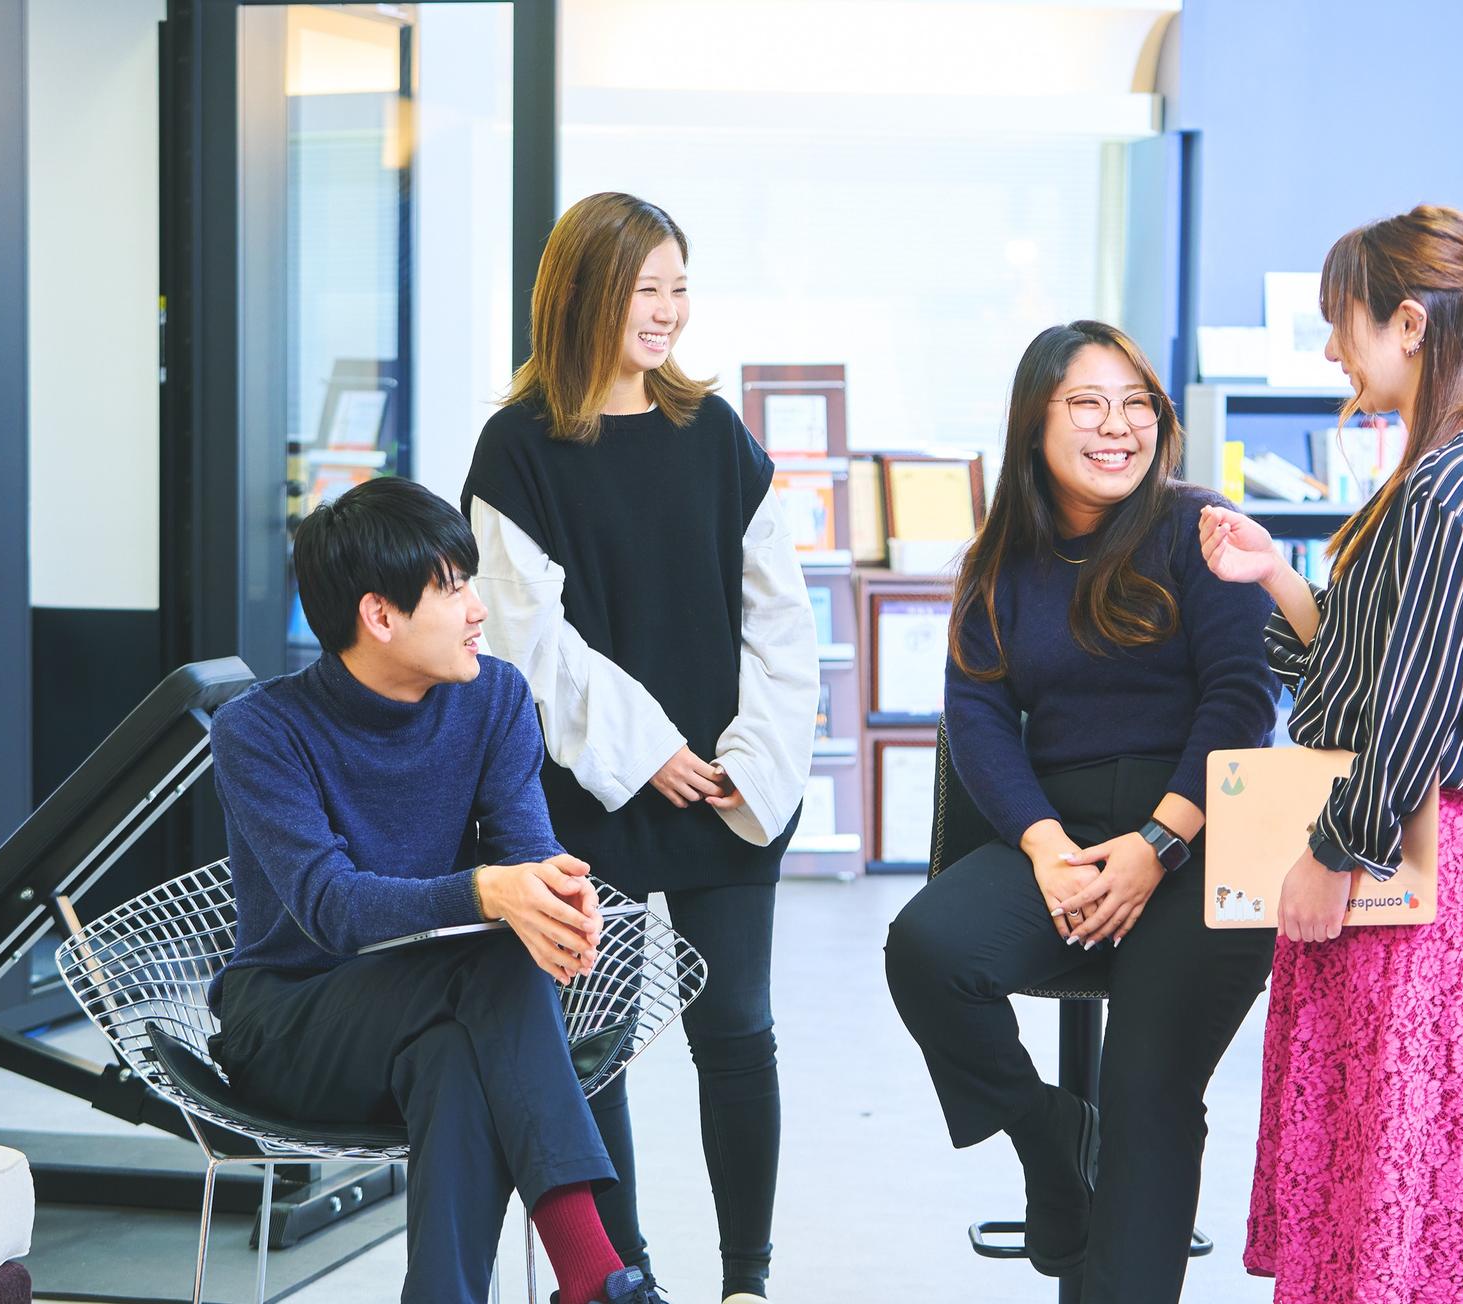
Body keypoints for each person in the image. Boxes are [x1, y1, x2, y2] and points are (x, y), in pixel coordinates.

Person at [461, 192, 818, 1304]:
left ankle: (747, 1279)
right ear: (582, 293)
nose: (666, 310)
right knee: (595, 1041)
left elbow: (780, 615)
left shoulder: (712, 433)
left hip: (724, 787)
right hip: (588, 790)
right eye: (643, 288)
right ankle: (624, 1278)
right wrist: (649, 748)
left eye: (677, 287)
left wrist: (748, 760)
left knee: (738, 1030)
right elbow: (525, 637)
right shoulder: (517, 447)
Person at [1200, 205, 1463, 1304]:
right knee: (1388, 1180)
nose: (1329, 351)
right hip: (1412, 847)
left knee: (1383, 1188)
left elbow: (1410, 710)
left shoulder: (1449, 487)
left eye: (1339, 323)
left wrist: (1330, 854)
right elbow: (1371, 667)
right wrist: (1275, 573)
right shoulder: (1445, 470)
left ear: (1407, 323)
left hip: (1407, 859)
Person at [886, 320, 1280, 1302]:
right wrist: (1046, 845)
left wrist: (1158, 841)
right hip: (1060, 835)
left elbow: (1241, 699)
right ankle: (1051, 1135)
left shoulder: (1201, 528)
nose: (1118, 426)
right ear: (1036, 422)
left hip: (1204, 838)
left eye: (1136, 404)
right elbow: (977, 718)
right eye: (1088, 404)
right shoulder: (999, 559)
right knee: (929, 950)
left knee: (1149, 1094)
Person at [206, 476, 666, 1304]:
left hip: (443, 1013)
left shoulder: (493, 697)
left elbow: (525, 854)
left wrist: (555, 900)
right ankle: (596, 1276)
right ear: (380, 616)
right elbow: (332, 908)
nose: (478, 610)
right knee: (490, 959)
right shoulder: (260, 730)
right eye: (453, 589)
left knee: (456, 1051)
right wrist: (490, 893)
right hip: (289, 1022)